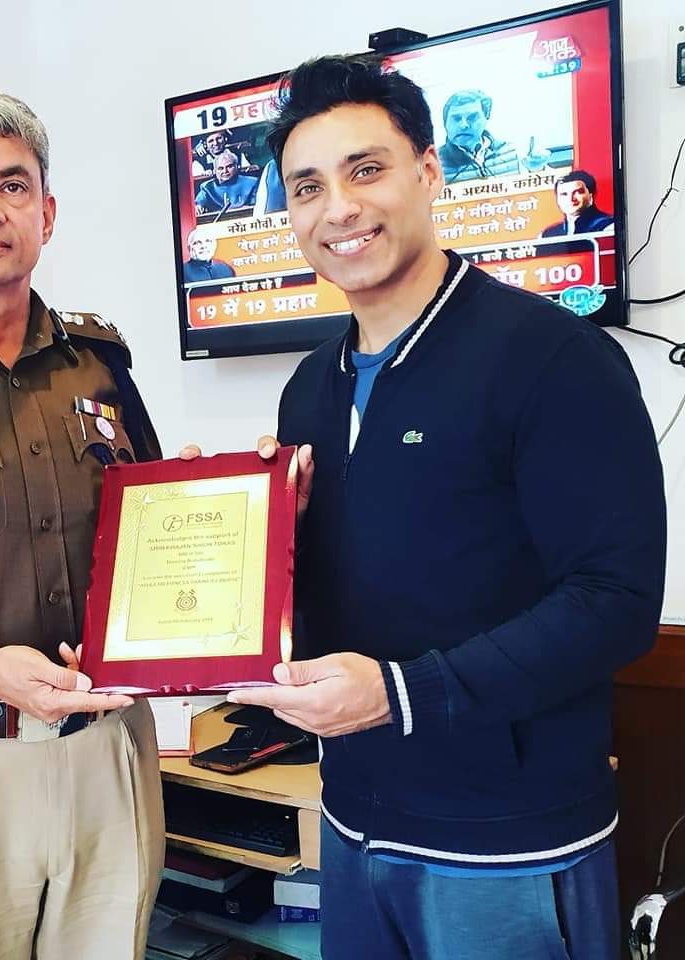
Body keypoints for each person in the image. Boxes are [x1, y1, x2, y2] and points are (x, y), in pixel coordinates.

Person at [183, 55, 666, 960]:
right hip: (352, 817)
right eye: (307, 187)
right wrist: (243, 531)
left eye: (366, 170)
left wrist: (401, 695)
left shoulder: (552, 357)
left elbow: (616, 601)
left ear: (429, 171)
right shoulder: (309, 388)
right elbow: (353, 586)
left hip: (505, 841)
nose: (339, 208)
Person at [0, 90, 165, 959]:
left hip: (110, 751)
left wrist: (246, 506)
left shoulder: (100, 364)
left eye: (12, 185)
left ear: (46, 214)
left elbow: (156, 531)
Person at [438, 88, 519, 182]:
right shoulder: (434, 163)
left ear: (486, 117)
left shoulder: (509, 151)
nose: (464, 125)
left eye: (472, 117)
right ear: (445, 123)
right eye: (456, 119)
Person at [541, 169, 614, 237]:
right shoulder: (547, 234)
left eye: (578, 192)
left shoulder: (609, 226)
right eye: (564, 194)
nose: (570, 199)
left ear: (591, 195)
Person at [194, 150, 259, 215]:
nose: (225, 171)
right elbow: (197, 203)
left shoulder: (253, 182)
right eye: (220, 168)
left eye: (229, 167)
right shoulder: (207, 187)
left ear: (237, 167)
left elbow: (256, 206)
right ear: (215, 171)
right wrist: (197, 207)